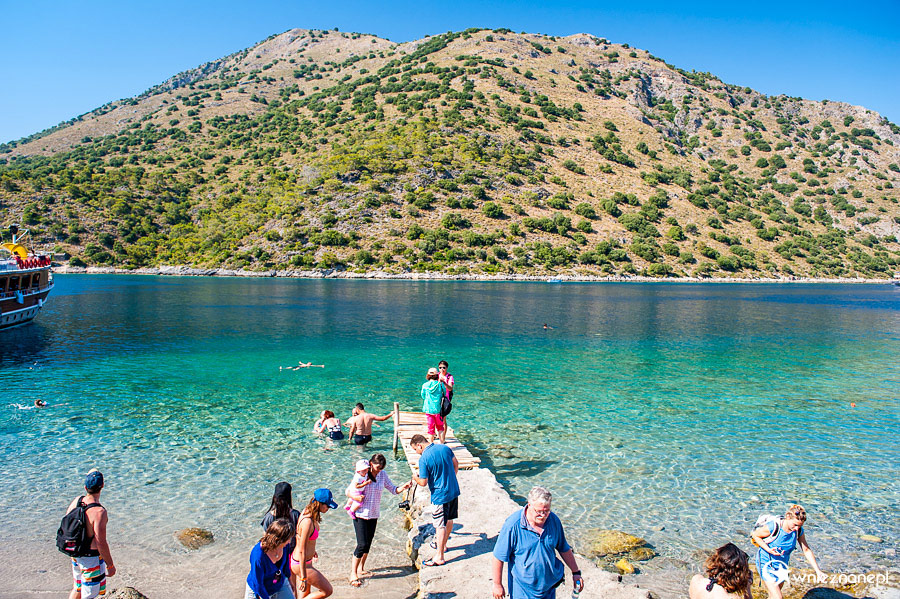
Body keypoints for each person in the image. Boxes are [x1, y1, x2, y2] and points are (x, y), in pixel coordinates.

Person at [491, 486, 583, 599]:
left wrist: (576, 572)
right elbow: (499, 557)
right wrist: (497, 584)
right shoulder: (513, 525)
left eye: (546, 511)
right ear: (529, 505)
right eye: (539, 511)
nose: (543, 516)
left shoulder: (554, 520)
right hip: (523, 589)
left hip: (548, 587)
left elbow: (563, 548)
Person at [349, 453, 412, 587]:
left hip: (374, 514)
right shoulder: (362, 474)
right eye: (378, 467)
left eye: (382, 468)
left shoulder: (382, 475)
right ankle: (353, 573)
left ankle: (361, 568)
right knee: (361, 544)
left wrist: (404, 487)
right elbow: (349, 490)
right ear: (371, 463)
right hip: (360, 513)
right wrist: (355, 498)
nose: (379, 470)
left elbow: (393, 489)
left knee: (368, 544)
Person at [751, 504, 826, 599]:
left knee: (773, 596)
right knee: (778, 597)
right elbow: (755, 535)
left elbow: (806, 550)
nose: (796, 528)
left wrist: (817, 571)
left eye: (799, 526)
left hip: (782, 567)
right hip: (766, 564)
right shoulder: (773, 527)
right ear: (788, 517)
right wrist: (769, 549)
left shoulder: (798, 531)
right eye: (795, 525)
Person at [65, 469, 116, 599]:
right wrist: (110, 565)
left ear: (85, 487)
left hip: (75, 554)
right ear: (102, 486)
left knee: (78, 587)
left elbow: (67, 524)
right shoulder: (99, 512)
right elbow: (101, 543)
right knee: (89, 594)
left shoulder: (77, 501)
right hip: (90, 558)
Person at [411, 434, 459, 567]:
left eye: (416, 450)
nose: (417, 452)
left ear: (419, 445)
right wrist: (450, 479)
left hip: (440, 495)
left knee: (439, 524)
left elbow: (423, 482)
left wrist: (415, 477)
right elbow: (456, 464)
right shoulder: (444, 448)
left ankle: (439, 556)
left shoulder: (424, 458)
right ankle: (443, 545)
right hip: (453, 489)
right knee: (449, 519)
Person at [291, 489, 337, 599]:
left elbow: (303, 538)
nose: (328, 509)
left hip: (305, 561)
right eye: (327, 506)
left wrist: (313, 550)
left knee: (305, 595)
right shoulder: (307, 521)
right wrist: (303, 577)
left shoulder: (309, 512)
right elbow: (301, 550)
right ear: (319, 504)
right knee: (327, 590)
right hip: (301, 563)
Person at [261, 482, 302, 596]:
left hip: (273, 557)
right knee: (292, 587)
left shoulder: (269, 517)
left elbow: (265, 540)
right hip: (291, 555)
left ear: (274, 498)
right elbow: (300, 537)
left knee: (273, 587)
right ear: (289, 497)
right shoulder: (295, 514)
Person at [245, 518, 295, 599]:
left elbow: (286, 566)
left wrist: (290, 580)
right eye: (288, 539)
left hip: (279, 584)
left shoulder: (285, 546)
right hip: (258, 590)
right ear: (279, 539)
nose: (289, 541)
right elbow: (258, 584)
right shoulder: (258, 555)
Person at [420, 369, 446, 444]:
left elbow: (423, 396)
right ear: (436, 375)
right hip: (438, 410)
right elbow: (444, 393)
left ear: (428, 375)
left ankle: (431, 444)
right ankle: (442, 444)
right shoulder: (440, 385)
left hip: (428, 410)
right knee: (440, 428)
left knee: (430, 429)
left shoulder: (425, 385)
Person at [437, 360, 454, 444]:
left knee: (443, 419)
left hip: (445, 399)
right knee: (437, 417)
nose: (442, 369)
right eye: (440, 367)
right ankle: (439, 434)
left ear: (447, 368)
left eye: (444, 367)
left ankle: (443, 438)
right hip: (437, 399)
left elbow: (450, 388)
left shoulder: (449, 377)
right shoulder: (437, 375)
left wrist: (444, 382)